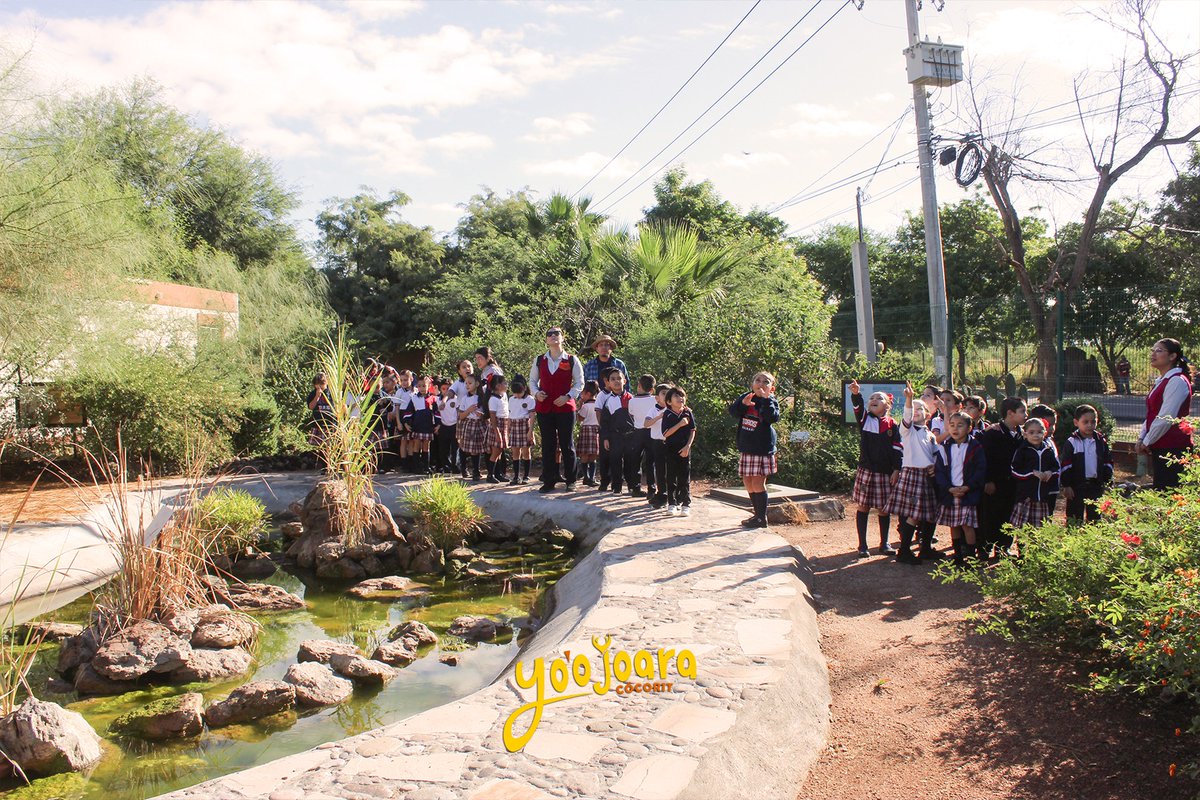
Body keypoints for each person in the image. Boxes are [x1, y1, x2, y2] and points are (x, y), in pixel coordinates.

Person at [886, 382, 943, 564]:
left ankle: (925, 548)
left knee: (930, 513)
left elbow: (936, 455)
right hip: (913, 475)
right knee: (914, 514)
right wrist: (909, 399)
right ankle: (904, 550)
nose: (916, 411)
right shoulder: (907, 431)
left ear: (929, 414)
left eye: (921, 409)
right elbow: (907, 416)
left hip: (928, 476)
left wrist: (936, 467)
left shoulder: (929, 434)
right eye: (914, 409)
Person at [528, 326, 584, 493]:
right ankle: (549, 480)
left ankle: (571, 480)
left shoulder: (572, 359)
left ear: (562, 337)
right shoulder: (539, 360)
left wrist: (568, 396)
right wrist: (537, 393)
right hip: (544, 408)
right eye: (549, 334)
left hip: (565, 408)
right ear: (546, 340)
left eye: (556, 333)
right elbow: (532, 381)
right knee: (548, 445)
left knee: (567, 444)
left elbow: (580, 383)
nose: (553, 336)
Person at [849, 380, 902, 557]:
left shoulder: (893, 425)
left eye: (879, 398)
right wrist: (856, 394)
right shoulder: (865, 420)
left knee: (883, 508)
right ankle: (862, 545)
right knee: (863, 506)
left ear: (888, 404)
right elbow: (858, 406)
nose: (874, 399)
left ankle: (884, 543)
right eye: (871, 397)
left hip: (885, 472)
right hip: (866, 470)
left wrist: (896, 469)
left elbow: (897, 449)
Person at [1136, 338, 1194, 490]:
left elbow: (1165, 418)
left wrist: (1146, 441)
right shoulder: (1162, 380)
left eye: (1159, 350)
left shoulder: (1176, 381)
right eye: (1152, 350)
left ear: (1172, 356)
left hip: (1173, 448)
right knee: (1161, 491)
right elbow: (1152, 414)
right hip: (1161, 446)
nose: (1153, 354)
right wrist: (1142, 437)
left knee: (1169, 494)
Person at [934, 411, 987, 567]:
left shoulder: (975, 447)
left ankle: (970, 558)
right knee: (954, 524)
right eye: (952, 425)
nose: (955, 429)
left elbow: (980, 469)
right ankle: (957, 557)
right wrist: (949, 488)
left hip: (967, 493)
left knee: (967, 525)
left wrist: (968, 486)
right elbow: (939, 470)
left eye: (960, 425)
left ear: (969, 428)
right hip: (950, 493)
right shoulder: (944, 447)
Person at [730, 371, 781, 529]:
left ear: (772, 388)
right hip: (747, 446)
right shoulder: (747, 397)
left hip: (762, 448)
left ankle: (761, 518)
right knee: (748, 481)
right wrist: (743, 404)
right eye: (757, 380)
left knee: (758, 482)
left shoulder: (771, 401)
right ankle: (756, 514)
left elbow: (771, 417)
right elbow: (733, 412)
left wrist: (766, 400)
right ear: (752, 384)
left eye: (766, 381)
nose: (761, 383)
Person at [977, 397, 1026, 558]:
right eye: (1022, 411)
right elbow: (985, 459)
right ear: (1010, 413)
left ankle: (1003, 548)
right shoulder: (992, 433)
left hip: (1013, 484)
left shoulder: (1022, 435)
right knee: (991, 515)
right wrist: (988, 480)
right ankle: (984, 548)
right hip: (995, 484)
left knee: (1009, 515)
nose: (1026, 415)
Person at [1059, 404, 1113, 524]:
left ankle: (1094, 540)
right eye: (1085, 422)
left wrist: (1107, 479)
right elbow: (1066, 464)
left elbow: (1107, 461)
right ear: (1076, 422)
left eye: (1093, 421)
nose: (1090, 425)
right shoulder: (1072, 442)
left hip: (1095, 485)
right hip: (1076, 485)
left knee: (1095, 516)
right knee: (1074, 516)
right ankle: (1072, 539)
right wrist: (1067, 485)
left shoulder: (1101, 441)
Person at [1009, 418, 1060, 536]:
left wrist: (1049, 473)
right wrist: (1032, 473)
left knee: (1039, 529)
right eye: (1031, 432)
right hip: (1026, 497)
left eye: (1039, 432)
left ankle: (1035, 553)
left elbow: (1056, 468)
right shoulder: (1022, 450)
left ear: (1045, 433)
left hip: (1042, 497)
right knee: (1022, 529)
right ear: (1025, 433)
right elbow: (1015, 470)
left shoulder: (1048, 450)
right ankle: (1021, 553)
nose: (1035, 435)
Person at [597, 368, 638, 495]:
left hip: (631, 436)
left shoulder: (632, 398)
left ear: (624, 381)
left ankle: (632, 485)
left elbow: (637, 417)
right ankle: (617, 486)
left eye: (619, 378)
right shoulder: (608, 401)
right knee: (615, 461)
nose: (616, 381)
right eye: (613, 379)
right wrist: (605, 438)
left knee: (631, 461)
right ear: (608, 383)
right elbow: (604, 422)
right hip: (615, 436)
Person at [661, 386, 696, 516]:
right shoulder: (667, 414)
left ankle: (686, 503)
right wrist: (680, 424)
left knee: (684, 477)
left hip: (685, 448)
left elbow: (693, 431)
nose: (680, 398)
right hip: (670, 448)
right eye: (676, 396)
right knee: (671, 477)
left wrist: (688, 446)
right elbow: (666, 433)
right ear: (669, 401)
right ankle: (672, 503)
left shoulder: (688, 412)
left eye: (682, 396)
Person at [627, 374, 658, 499]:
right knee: (650, 462)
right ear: (652, 389)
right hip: (651, 432)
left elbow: (631, 414)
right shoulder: (654, 400)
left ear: (639, 386)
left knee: (636, 460)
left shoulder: (632, 401)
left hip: (638, 431)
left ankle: (636, 487)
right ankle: (651, 489)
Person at [402, 375, 439, 474]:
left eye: (424, 386)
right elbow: (408, 412)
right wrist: (406, 423)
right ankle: (416, 467)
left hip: (428, 425)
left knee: (426, 446)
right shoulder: (414, 398)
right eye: (420, 386)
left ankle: (426, 467)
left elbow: (436, 412)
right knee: (416, 444)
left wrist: (438, 425)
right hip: (417, 425)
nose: (422, 388)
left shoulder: (432, 398)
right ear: (417, 387)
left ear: (429, 386)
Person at [643, 383, 672, 510]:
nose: (667, 397)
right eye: (664, 394)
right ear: (657, 397)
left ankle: (671, 495)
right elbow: (646, 424)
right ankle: (661, 494)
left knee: (670, 470)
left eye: (669, 394)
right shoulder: (653, 410)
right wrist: (659, 417)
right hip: (657, 443)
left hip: (670, 442)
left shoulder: (673, 410)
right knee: (659, 470)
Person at [456, 374, 486, 481]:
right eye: (466, 383)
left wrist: (481, 415)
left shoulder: (482, 397)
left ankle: (481, 470)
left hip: (481, 424)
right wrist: (468, 410)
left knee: (481, 448)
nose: (467, 385)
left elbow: (485, 413)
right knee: (471, 448)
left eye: (470, 383)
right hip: (470, 424)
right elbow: (461, 416)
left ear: (477, 384)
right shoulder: (465, 399)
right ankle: (473, 471)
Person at [507, 375, 536, 485]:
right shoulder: (511, 399)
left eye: (519, 393)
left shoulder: (530, 399)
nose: (517, 395)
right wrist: (508, 429)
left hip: (524, 425)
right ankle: (516, 476)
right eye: (515, 393)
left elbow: (532, 416)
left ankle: (526, 476)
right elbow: (510, 415)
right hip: (514, 425)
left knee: (526, 451)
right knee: (515, 451)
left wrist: (530, 431)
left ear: (524, 388)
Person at [484, 374, 510, 484]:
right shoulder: (493, 400)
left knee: (500, 451)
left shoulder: (502, 396)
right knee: (495, 451)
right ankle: (490, 474)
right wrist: (497, 432)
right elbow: (493, 418)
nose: (506, 385)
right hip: (497, 426)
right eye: (504, 383)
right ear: (498, 386)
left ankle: (498, 473)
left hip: (504, 424)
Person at [575, 381, 601, 486]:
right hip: (596, 431)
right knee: (593, 456)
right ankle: (592, 478)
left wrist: (578, 408)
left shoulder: (585, 406)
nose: (581, 395)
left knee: (584, 456)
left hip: (586, 430)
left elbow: (579, 419)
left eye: (582, 393)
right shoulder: (599, 405)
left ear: (588, 394)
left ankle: (586, 477)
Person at [434, 377, 459, 475]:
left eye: (448, 389)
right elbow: (436, 414)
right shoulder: (438, 400)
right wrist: (438, 425)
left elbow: (458, 412)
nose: (446, 391)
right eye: (443, 389)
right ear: (440, 389)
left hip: (454, 425)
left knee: (455, 448)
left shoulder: (456, 400)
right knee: (443, 449)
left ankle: (455, 467)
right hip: (443, 426)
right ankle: (446, 467)